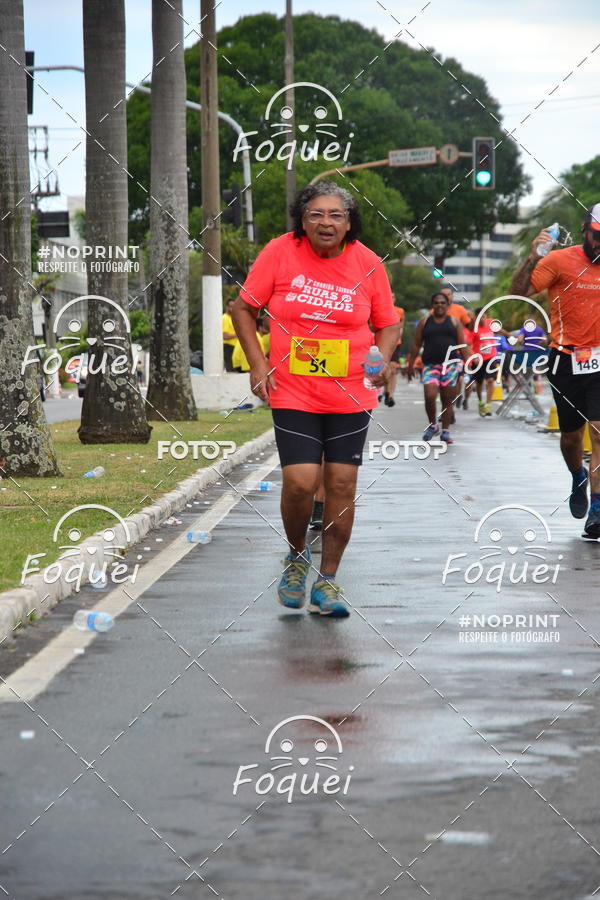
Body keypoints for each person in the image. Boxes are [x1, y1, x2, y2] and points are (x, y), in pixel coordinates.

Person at [231, 182, 399, 617]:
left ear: (349, 222)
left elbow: (388, 323)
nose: (326, 222)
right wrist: (256, 362)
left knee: (342, 484)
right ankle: (295, 557)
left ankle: (328, 581)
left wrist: (382, 359)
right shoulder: (280, 252)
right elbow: (243, 308)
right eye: (316, 214)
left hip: (351, 392)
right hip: (293, 389)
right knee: (301, 482)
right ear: (302, 220)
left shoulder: (367, 263)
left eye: (336, 215)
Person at [510, 204, 600, 537]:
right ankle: (578, 476)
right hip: (565, 358)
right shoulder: (560, 260)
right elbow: (518, 293)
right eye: (597, 236)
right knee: (571, 438)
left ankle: (598, 507)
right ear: (585, 230)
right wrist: (534, 256)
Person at [408, 292, 469, 444]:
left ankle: (446, 431)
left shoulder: (454, 322)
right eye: (436, 303)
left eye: (442, 303)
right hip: (430, 365)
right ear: (432, 305)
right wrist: (410, 364)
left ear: (448, 306)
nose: (439, 305)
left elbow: (463, 345)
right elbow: (416, 344)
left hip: (451, 365)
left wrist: (469, 361)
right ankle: (433, 426)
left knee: (447, 399)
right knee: (429, 396)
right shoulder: (424, 322)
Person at [471, 308, 499, 417]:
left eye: (484, 316)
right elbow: (469, 344)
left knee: (491, 380)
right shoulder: (473, 329)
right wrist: (474, 357)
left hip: (491, 357)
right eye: (480, 317)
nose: (482, 319)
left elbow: (499, 330)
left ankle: (488, 405)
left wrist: (508, 334)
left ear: (486, 316)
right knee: (479, 382)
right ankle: (480, 402)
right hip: (478, 359)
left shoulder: (491, 323)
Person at [384, 302, 405, 407]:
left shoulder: (400, 311)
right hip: (384, 342)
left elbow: (401, 326)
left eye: (393, 297)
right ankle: (386, 391)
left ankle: (391, 395)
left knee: (393, 368)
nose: (391, 299)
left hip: (396, 343)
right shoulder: (381, 308)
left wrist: (398, 336)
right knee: (386, 369)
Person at [222, 297, 237, 372]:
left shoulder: (233, 318)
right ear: (227, 307)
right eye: (230, 306)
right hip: (228, 347)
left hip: (235, 347)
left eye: (234, 307)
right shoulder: (224, 318)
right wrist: (237, 335)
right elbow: (225, 336)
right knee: (230, 369)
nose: (232, 309)